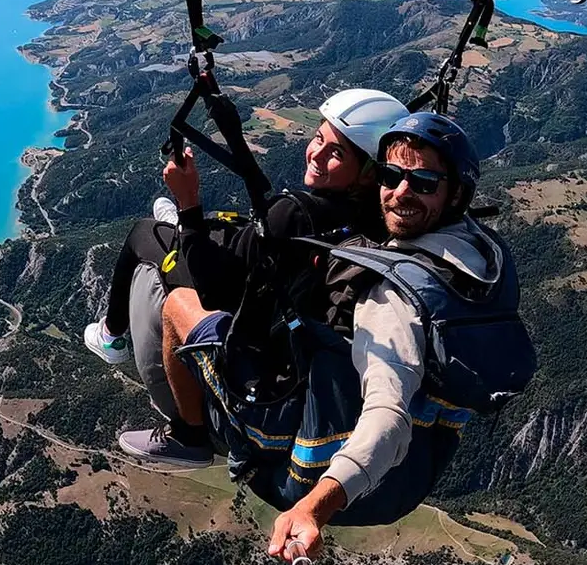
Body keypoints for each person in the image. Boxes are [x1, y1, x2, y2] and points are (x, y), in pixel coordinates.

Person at [137, 112, 525, 559]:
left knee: (178, 304)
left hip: (309, 474)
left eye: (421, 182)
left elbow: (388, 415)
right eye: (391, 174)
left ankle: (189, 438)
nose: (400, 192)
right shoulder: (488, 258)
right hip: (412, 477)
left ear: (456, 193)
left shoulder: (392, 300)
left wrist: (314, 508)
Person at [84, 88, 408, 457]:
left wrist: (188, 202)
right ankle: (180, 233)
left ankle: (113, 340)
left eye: (336, 153)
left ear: (368, 173)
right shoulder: (381, 217)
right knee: (197, 230)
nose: (316, 154)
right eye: (318, 138)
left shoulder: (295, 215)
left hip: (243, 319)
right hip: (279, 301)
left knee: (143, 234)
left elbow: (213, 290)